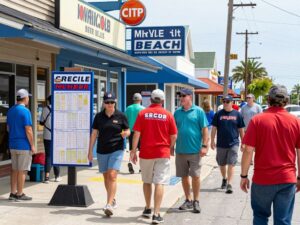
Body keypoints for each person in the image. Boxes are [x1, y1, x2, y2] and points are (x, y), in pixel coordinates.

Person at [240, 85, 300, 225]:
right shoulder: (296, 122)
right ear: (286, 101)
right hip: (287, 179)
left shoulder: (257, 120)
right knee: (283, 220)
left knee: (260, 217)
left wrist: (244, 176)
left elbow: (248, 150)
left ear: (268, 100)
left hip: (262, 180)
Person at [130, 89, 177, 224]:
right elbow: (174, 136)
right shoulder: (168, 115)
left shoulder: (143, 113)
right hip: (162, 153)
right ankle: (156, 214)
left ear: (150, 100)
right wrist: (168, 147)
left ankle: (147, 208)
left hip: (146, 153)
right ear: (162, 101)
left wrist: (133, 151)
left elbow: (137, 134)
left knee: (147, 181)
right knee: (160, 182)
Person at [88, 92, 130, 217]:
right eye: (107, 102)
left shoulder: (121, 115)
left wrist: (126, 134)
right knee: (106, 177)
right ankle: (112, 198)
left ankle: (109, 204)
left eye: (112, 102)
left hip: (117, 149)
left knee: (112, 175)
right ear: (103, 103)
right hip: (102, 150)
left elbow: (128, 130)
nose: (110, 104)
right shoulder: (98, 117)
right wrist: (90, 151)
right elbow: (94, 134)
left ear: (115, 102)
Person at [174, 89, 208, 213]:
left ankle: (196, 201)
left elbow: (205, 130)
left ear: (190, 97)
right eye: (180, 96)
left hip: (195, 151)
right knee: (183, 177)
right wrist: (171, 147)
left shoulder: (198, 111)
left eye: (183, 96)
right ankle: (188, 200)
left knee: (195, 176)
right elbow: (173, 131)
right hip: (181, 151)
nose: (181, 98)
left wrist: (204, 146)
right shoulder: (177, 112)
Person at [211, 95, 245, 194]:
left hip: (233, 143)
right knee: (221, 164)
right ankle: (224, 179)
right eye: (224, 101)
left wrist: (243, 142)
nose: (225, 103)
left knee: (231, 164)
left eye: (227, 101)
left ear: (231, 103)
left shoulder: (237, 114)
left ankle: (229, 184)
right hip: (221, 143)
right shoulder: (218, 114)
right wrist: (212, 140)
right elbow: (214, 128)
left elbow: (241, 129)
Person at [7, 89, 36, 201]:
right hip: (23, 145)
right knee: (22, 170)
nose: (28, 99)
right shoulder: (25, 111)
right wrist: (32, 145)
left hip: (12, 144)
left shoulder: (11, 110)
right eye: (28, 97)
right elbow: (28, 129)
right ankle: (20, 193)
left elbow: (8, 128)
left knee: (14, 169)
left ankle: (12, 193)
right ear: (25, 98)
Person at [40, 95, 61, 183]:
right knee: (56, 155)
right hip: (57, 135)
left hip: (47, 135)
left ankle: (47, 177)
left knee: (48, 155)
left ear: (49, 101)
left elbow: (41, 122)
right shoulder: (59, 110)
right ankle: (57, 176)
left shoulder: (45, 109)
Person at [125, 93, 145, 174]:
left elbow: (125, 120)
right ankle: (141, 167)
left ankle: (130, 163)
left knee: (132, 149)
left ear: (133, 99)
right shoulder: (143, 108)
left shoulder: (128, 108)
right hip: (141, 132)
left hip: (131, 132)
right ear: (140, 100)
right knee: (141, 150)